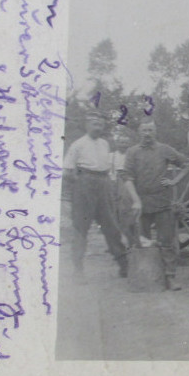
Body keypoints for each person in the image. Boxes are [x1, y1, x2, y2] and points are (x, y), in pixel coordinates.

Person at [121, 120, 189, 291]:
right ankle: (147, 277)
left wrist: (175, 180)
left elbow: (187, 164)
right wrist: (136, 200)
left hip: (163, 202)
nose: (147, 133)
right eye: (144, 130)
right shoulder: (132, 152)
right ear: (139, 132)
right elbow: (127, 177)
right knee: (143, 241)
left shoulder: (164, 149)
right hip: (142, 203)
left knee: (166, 241)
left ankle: (170, 277)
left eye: (150, 130)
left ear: (155, 132)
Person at [63, 112, 129, 280]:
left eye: (100, 124)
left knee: (111, 226)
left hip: (104, 182)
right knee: (81, 228)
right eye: (94, 124)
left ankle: (124, 265)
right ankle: (78, 270)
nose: (98, 127)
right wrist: (79, 186)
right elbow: (68, 171)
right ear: (87, 125)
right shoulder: (78, 144)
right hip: (84, 183)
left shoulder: (105, 144)